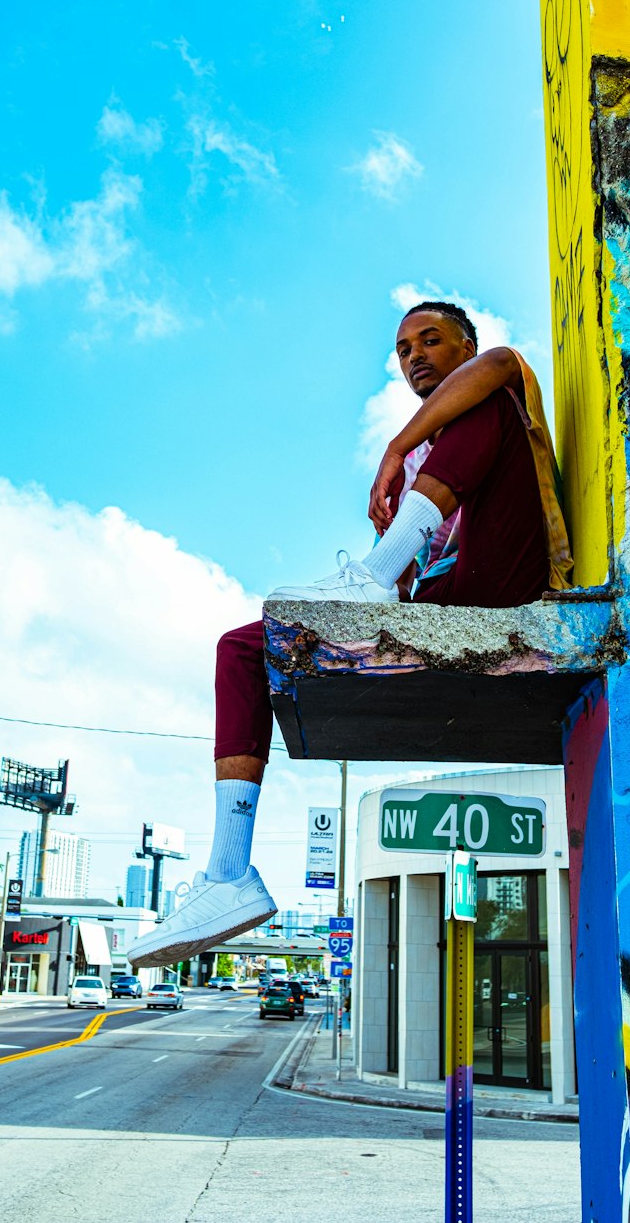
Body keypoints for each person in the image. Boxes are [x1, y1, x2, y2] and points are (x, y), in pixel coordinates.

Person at [128, 301, 572, 969]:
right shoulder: (427, 464)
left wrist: (394, 449)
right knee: (242, 648)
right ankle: (228, 877)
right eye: (402, 349)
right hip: (441, 601)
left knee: (484, 403)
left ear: (465, 343)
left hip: (512, 578)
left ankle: (375, 574)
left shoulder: (491, 392)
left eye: (431, 340)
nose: (415, 355)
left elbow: (502, 365)